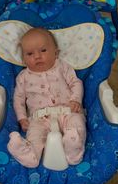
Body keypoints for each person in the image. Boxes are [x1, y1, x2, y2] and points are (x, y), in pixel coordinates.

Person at [7, 27, 86, 168]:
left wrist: (75, 100)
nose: (37, 56)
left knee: (76, 123)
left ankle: (73, 150)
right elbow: (18, 99)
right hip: (39, 118)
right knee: (34, 135)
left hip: (67, 110)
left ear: (56, 52)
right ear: (24, 59)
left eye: (43, 50)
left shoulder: (62, 67)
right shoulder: (23, 77)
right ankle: (30, 155)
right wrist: (22, 118)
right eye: (30, 53)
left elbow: (76, 83)